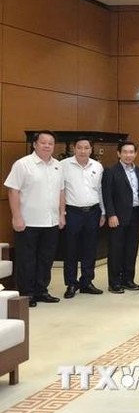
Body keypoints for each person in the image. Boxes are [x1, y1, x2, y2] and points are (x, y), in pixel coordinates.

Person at [4, 130, 65, 307]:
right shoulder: (23, 164)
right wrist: (16, 217)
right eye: (43, 142)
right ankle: (27, 293)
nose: (47, 146)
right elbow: (13, 190)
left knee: (46, 258)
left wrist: (61, 214)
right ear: (35, 144)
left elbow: (61, 191)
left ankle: (41, 290)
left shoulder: (57, 165)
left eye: (50, 143)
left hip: (51, 221)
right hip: (28, 221)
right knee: (26, 258)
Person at [61, 137, 105, 299]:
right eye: (79, 147)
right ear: (74, 148)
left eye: (86, 148)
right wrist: (62, 213)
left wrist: (103, 212)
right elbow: (60, 191)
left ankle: (87, 281)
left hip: (93, 212)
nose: (83, 150)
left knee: (90, 248)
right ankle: (71, 283)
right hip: (72, 212)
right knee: (71, 249)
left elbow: (100, 190)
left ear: (91, 149)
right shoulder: (64, 165)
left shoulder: (97, 166)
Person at [102, 141, 139, 294]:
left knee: (131, 249)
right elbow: (107, 195)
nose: (128, 155)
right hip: (117, 216)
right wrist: (111, 214)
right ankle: (114, 282)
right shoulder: (111, 171)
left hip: (135, 214)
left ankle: (128, 279)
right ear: (119, 153)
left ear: (135, 154)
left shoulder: (138, 171)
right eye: (125, 152)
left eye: (131, 152)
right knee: (116, 250)